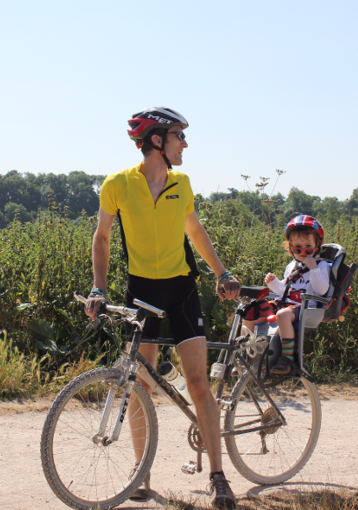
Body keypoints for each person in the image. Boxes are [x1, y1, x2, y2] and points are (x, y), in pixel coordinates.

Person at [85, 106, 240, 509]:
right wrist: (98, 289)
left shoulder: (182, 182)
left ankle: (219, 477)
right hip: (142, 292)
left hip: (181, 289)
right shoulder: (118, 184)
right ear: (157, 141)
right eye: (178, 136)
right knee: (140, 385)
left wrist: (222, 273)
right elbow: (101, 238)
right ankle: (142, 471)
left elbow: (194, 229)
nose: (185, 144)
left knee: (199, 384)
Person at [242, 215, 331, 374]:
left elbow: (322, 290)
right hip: (286, 304)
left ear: (317, 246)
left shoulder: (321, 266)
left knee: (282, 315)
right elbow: (285, 291)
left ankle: (288, 359)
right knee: (251, 312)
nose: (303, 252)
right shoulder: (292, 266)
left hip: (305, 307)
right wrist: (274, 283)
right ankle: (246, 356)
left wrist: (314, 269)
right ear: (290, 248)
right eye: (298, 248)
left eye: (308, 248)